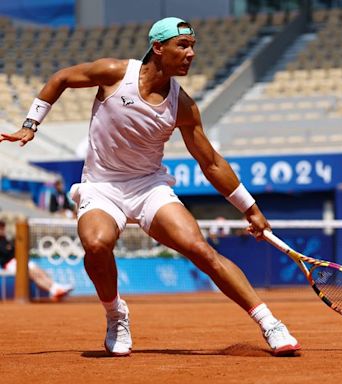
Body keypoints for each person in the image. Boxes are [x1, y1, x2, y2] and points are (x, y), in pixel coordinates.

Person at [0, 17, 300, 357]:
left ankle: (270, 323)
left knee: (200, 249)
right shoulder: (114, 73)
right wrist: (31, 125)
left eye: (193, 47)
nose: (191, 54)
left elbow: (212, 163)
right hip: (101, 186)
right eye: (183, 46)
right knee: (96, 245)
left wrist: (251, 210)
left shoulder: (183, 106)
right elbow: (61, 78)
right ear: (158, 48)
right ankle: (116, 315)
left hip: (148, 187)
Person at [0, 219, 73, 300]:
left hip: (21, 261)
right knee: (33, 273)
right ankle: (54, 290)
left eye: (3, 227)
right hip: (10, 264)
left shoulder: (7, 240)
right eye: (1, 227)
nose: (2, 229)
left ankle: (56, 286)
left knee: (39, 271)